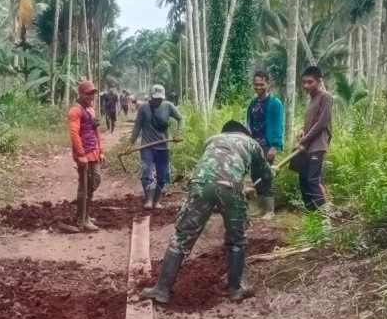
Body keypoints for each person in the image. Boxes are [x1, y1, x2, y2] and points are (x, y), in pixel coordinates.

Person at [141, 121, 272, 304]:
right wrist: (268, 177)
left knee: (181, 237)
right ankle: (235, 289)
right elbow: (263, 175)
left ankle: (162, 289)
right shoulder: (251, 143)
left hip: (200, 185)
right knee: (236, 239)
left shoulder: (212, 140)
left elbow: (214, 171)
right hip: (231, 188)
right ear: (245, 133)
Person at [59, 80, 104, 233]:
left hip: (94, 152)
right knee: (85, 185)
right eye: (88, 93)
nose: (91, 96)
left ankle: (84, 213)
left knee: (95, 181)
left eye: (93, 93)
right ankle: (82, 219)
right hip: (84, 154)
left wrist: (101, 150)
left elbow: (95, 131)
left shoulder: (91, 110)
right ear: (81, 93)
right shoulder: (75, 111)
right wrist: (81, 154)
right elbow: (74, 134)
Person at [129, 84, 183, 210]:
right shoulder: (143, 108)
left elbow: (180, 119)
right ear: (151, 97)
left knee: (163, 176)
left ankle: (156, 201)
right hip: (147, 147)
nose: (157, 101)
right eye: (155, 99)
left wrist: (179, 132)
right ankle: (148, 200)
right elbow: (137, 126)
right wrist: (131, 142)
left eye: (160, 99)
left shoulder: (168, 106)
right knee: (146, 172)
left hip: (163, 147)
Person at [292, 66, 333, 211]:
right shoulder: (311, 100)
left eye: (310, 82)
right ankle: (311, 214)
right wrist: (302, 131)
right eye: (304, 82)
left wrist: (304, 140)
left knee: (313, 180)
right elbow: (308, 123)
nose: (306, 86)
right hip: (307, 147)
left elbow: (321, 123)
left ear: (319, 81)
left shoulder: (325, 97)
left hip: (317, 146)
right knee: (303, 180)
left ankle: (322, 216)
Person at [246, 71, 284, 219]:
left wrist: (274, 145)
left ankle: (270, 210)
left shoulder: (275, 103)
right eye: (256, 84)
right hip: (253, 145)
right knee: (256, 176)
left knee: (266, 176)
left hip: (267, 145)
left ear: (268, 84)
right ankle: (261, 208)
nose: (258, 87)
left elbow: (278, 125)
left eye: (261, 84)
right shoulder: (253, 103)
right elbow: (249, 124)